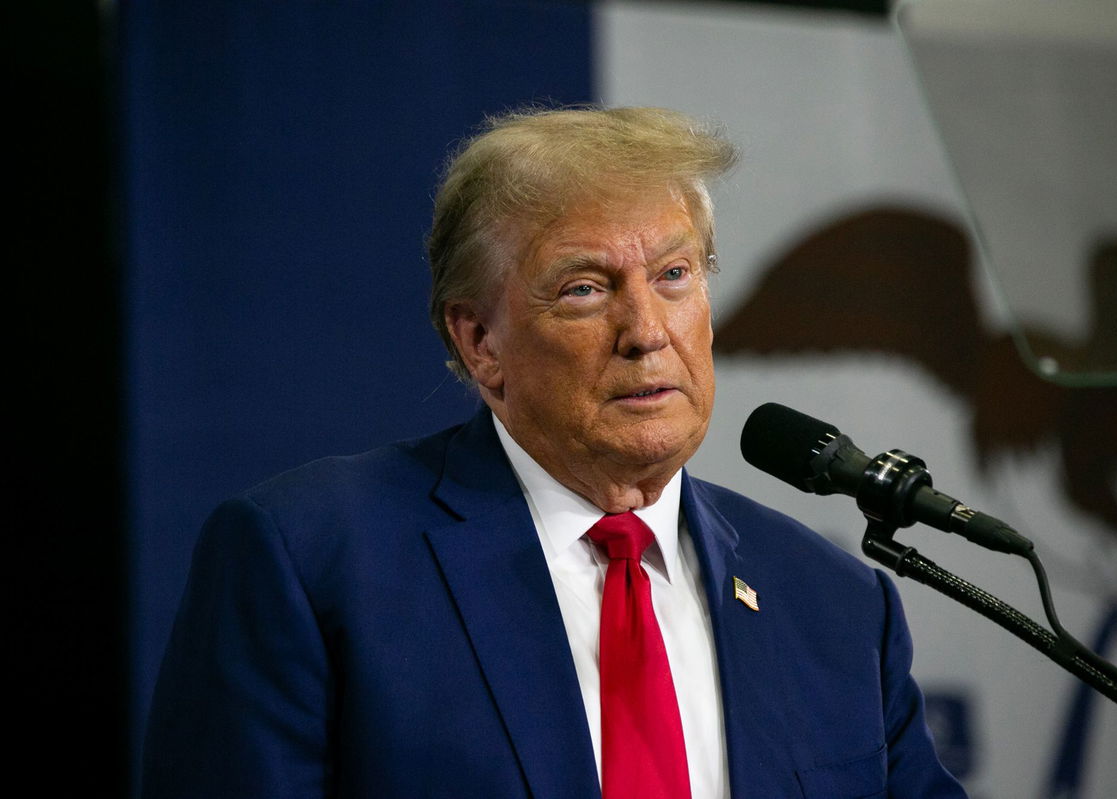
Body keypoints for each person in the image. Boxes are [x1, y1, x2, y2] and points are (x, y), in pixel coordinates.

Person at [142, 106, 965, 798]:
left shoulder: (835, 605)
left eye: (674, 274)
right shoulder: (314, 560)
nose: (647, 332)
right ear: (480, 342)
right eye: (585, 288)